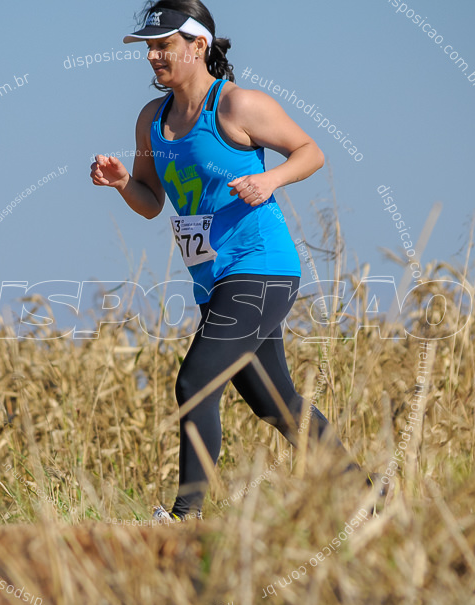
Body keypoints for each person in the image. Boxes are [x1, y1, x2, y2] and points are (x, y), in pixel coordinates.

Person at [92, 0, 375, 522]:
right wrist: (123, 184)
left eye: (165, 45)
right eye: (150, 47)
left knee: (194, 382)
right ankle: (367, 497)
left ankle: (186, 515)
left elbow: (309, 151)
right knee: (274, 402)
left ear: (198, 46)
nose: (155, 55)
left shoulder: (237, 106)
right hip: (215, 279)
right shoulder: (150, 121)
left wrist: (270, 180)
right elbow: (152, 203)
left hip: (261, 268)